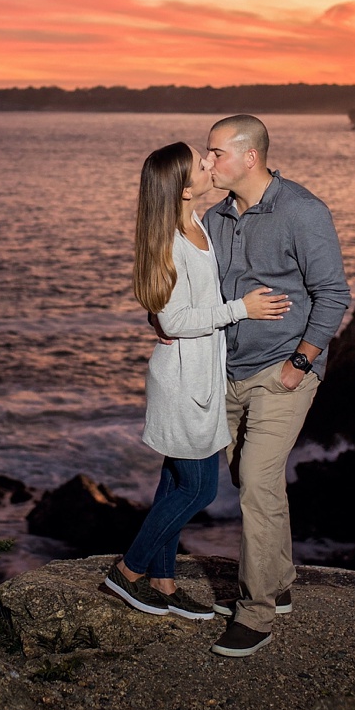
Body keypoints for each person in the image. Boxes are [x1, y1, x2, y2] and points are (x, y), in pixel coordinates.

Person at [104, 141, 291, 619]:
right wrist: (241, 310)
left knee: (175, 481)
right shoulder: (170, 239)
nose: (210, 164)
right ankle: (127, 572)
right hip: (183, 383)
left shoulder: (197, 225)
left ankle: (163, 582)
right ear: (185, 188)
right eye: (201, 162)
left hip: (201, 377)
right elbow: (175, 320)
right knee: (199, 489)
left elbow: (168, 309)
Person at [201, 114, 351, 657]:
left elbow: (333, 294)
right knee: (247, 476)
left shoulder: (302, 212)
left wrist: (303, 362)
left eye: (215, 152)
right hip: (230, 370)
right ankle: (280, 578)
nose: (207, 161)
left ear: (249, 156)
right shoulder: (216, 216)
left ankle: (258, 611)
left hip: (282, 371)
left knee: (259, 483)